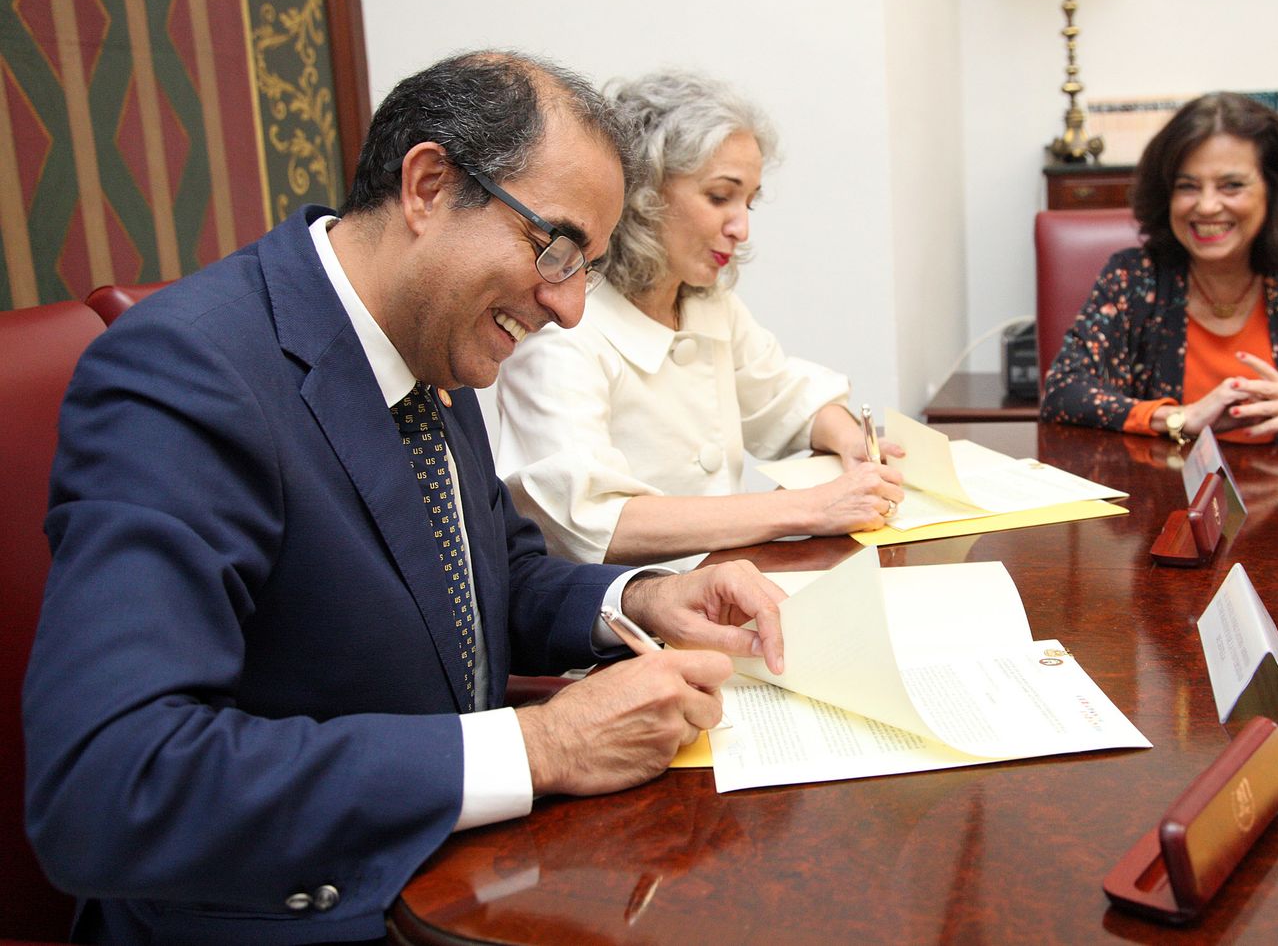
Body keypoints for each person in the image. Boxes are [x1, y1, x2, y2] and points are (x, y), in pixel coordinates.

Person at [23, 51, 788, 945]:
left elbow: (490, 580)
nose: (571, 307)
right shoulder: (184, 373)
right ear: (428, 185)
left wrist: (641, 595)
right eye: (556, 248)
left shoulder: (428, 342)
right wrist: (541, 747)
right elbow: (109, 786)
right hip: (298, 911)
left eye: (587, 266)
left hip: (466, 875)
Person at [490, 71, 903, 565]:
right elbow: (586, 519)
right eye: (720, 196)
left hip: (721, 584)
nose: (742, 228)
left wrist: (852, 441)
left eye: (749, 202)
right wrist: (809, 508)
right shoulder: (562, 330)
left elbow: (781, 398)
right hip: (622, 620)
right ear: (642, 192)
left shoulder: (707, 304)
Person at [1040, 91, 1278, 443]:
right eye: (1188, 186)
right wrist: (1176, 418)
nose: (1207, 206)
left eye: (1231, 186)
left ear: (1272, 191)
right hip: (1167, 503)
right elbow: (1063, 390)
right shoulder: (1133, 277)